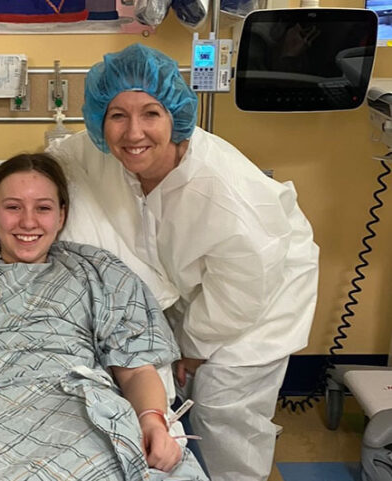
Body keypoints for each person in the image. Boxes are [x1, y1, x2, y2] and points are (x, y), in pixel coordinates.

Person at [48, 43, 319, 481]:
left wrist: (190, 351)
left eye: (151, 114)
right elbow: (49, 166)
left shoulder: (221, 190)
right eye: (118, 115)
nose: (133, 133)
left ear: (175, 116)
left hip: (263, 290)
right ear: (101, 120)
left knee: (224, 406)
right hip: (194, 285)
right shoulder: (95, 154)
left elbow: (242, 287)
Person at [0, 153, 209, 481]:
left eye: (43, 208)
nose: (28, 222)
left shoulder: (97, 272)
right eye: (13, 207)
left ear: (62, 215)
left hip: (80, 411)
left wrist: (151, 420)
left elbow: (135, 369)